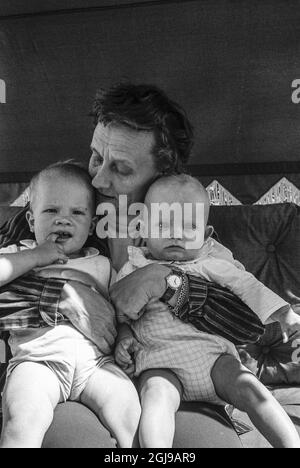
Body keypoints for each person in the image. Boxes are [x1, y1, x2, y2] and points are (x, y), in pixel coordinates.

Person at [0, 83, 251, 448]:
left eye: (121, 168)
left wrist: (169, 282)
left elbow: (244, 325)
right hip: (71, 374)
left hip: (175, 383)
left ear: (162, 173)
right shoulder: (62, 210)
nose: (99, 178)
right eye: (96, 157)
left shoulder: (188, 229)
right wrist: (59, 296)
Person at [114, 174, 300, 448]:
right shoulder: (132, 269)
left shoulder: (213, 262)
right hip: (159, 362)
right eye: (163, 224)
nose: (175, 234)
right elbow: (121, 312)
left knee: (249, 388)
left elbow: (249, 287)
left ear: (206, 234)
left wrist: (284, 314)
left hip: (213, 359)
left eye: (189, 226)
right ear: (143, 228)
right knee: (155, 396)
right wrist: (124, 335)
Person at [0, 161, 141, 448]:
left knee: (130, 412)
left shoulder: (101, 263)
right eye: (51, 210)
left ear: (90, 226)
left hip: (97, 364)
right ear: (30, 221)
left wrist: (124, 335)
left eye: (76, 212)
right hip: (38, 361)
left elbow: (120, 308)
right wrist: (36, 257)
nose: (63, 220)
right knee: (23, 416)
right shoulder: (19, 254)